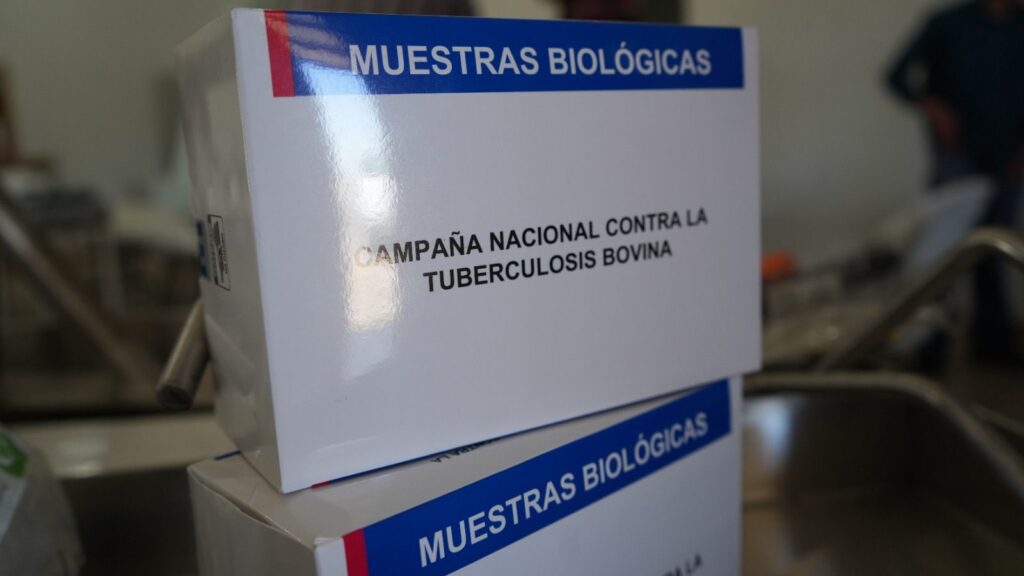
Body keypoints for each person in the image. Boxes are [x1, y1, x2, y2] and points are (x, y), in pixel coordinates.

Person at [886, 0, 1024, 360]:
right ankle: (928, 348)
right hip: (958, 156)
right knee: (943, 255)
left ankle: (993, 346)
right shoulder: (947, 24)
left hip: (1008, 156)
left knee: (993, 250)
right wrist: (935, 109)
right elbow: (896, 77)